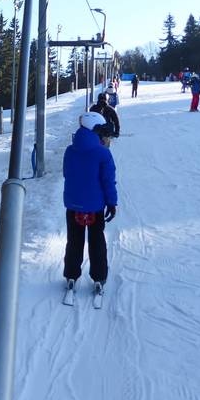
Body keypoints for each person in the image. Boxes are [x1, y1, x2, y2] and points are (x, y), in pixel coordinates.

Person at [62, 112, 118, 296]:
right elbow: (108, 181)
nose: (105, 137)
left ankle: (71, 275)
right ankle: (99, 277)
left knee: (74, 240)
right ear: (95, 131)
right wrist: (111, 203)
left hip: (73, 206)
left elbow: (66, 174)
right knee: (96, 241)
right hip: (95, 207)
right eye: (102, 133)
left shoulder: (70, 150)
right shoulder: (103, 153)